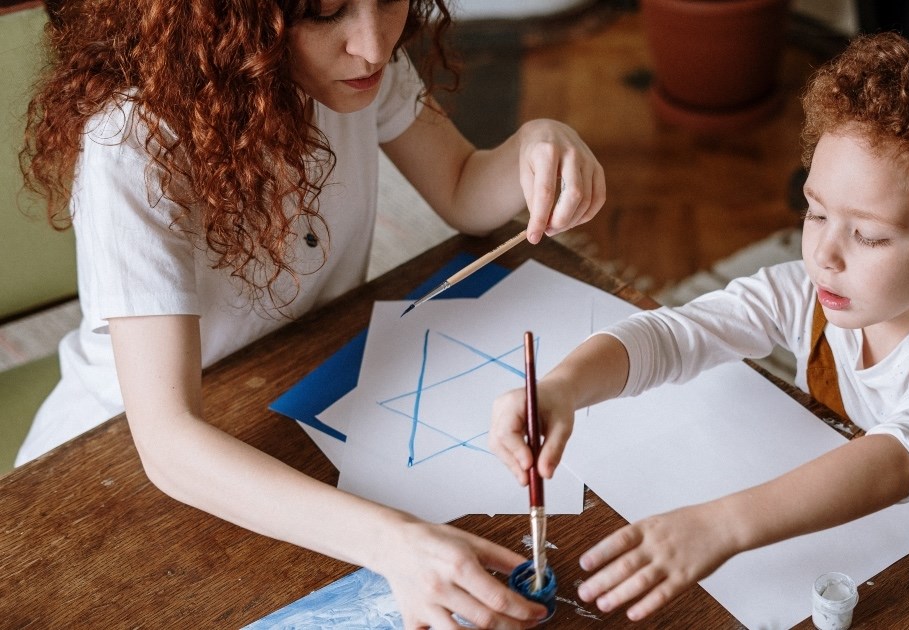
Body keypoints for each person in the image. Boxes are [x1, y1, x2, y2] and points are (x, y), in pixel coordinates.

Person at [18, 0, 604, 627]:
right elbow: (166, 442)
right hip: (117, 466)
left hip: (307, 389)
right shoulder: (132, 145)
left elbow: (462, 187)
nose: (375, 45)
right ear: (226, 19)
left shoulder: (352, 69)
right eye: (326, 12)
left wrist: (538, 144)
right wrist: (393, 543)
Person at [490, 31, 909, 622]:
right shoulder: (806, 292)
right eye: (815, 212)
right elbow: (678, 334)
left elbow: (899, 456)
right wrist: (563, 388)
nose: (824, 255)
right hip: (838, 532)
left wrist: (721, 525)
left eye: (868, 235)